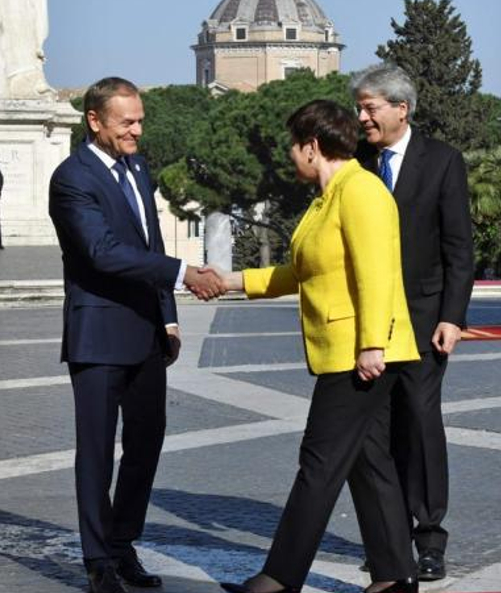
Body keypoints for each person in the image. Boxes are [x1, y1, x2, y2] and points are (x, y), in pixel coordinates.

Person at [215, 99, 420, 593]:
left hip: (361, 353)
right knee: (369, 465)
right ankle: (395, 577)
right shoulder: (327, 199)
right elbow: (301, 273)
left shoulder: (362, 192)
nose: (290, 155)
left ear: (312, 146)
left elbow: (377, 273)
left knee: (319, 463)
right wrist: (230, 281)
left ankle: (280, 579)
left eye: (293, 145)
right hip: (346, 350)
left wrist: (372, 344)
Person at [48, 76, 224, 593]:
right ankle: (98, 559)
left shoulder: (138, 167)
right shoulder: (72, 178)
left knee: (146, 443)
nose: (138, 130)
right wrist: (184, 273)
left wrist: (167, 316)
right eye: (127, 122)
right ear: (95, 121)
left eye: (141, 119)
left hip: (148, 334)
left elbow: (148, 237)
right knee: (97, 452)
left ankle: (123, 543)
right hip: (99, 335)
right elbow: (101, 252)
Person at [352, 63, 474, 582]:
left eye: (370, 107)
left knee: (420, 427)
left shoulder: (443, 162)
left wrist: (453, 317)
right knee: (374, 434)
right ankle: (387, 539)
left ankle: (429, 540)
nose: (361, 117)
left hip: (425, 323)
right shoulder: (354, 163)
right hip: (369, 326)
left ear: (401, 109)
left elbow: (459, 249)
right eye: (359, 108)